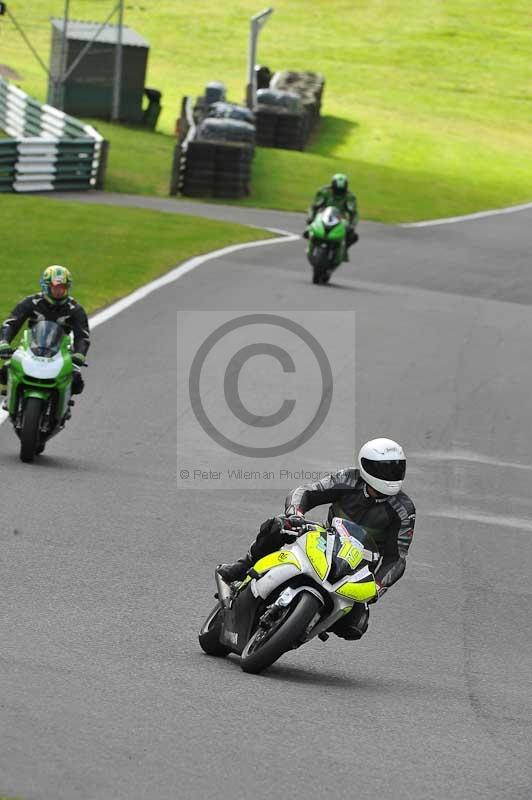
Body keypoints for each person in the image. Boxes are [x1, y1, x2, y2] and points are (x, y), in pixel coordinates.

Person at [217, 438, 416, 641]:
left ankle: (308, 622)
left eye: (397, 469)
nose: (392, 475)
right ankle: (243, 567)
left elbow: (397, 557)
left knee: (355, 626)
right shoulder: (349, 479)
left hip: (358, 568)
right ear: (366, 465)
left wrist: (377, 587)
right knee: (278, 526)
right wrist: (295, 514)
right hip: (326, 541)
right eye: (385, 469)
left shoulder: (404, 509)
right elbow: (307, 492)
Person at [0, 265, 90, 399]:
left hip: (61, 352)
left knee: (76, 381)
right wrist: (4, 342)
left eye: (63, 288)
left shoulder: (75, 309)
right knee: (6, 369)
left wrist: (79, 354)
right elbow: (11, 323)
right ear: (46, 286)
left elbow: (82, 336)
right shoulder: (31, 302)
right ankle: (11, 393)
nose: (59, 291)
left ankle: (62, 405)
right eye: (56, 288)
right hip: (31, 347)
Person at [303, 173, 359, 260]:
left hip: (341, 219)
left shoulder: (350, 197)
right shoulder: (324, 192)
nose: (339, 193)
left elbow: (353, 213)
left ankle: (344, 250)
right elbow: (314, 207)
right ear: (332, 186)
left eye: (341, 191)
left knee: (353, 236)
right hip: (323, 215)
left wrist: (352, 225)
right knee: (307, 231)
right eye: (337, 190)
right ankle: (311, 246)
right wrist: (310, 218)